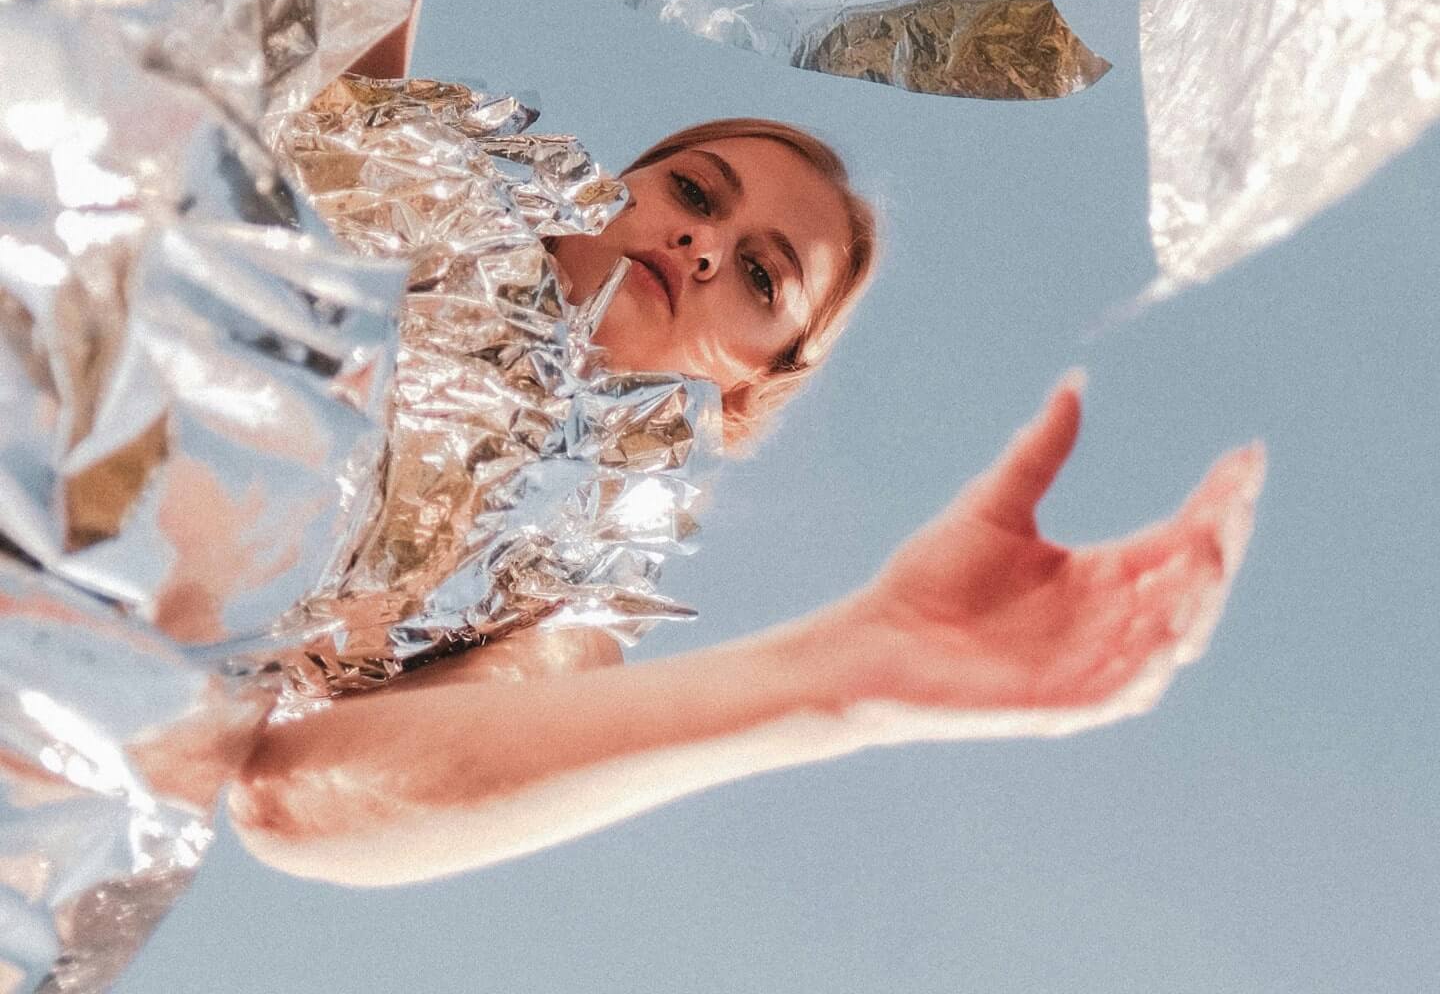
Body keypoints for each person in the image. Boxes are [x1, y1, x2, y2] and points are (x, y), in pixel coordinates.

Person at [228, 97, 1261, 887]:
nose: (705, 246)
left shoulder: (570, 590)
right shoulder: (391, 156)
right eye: (692, 192)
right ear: (608, 185)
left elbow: (299, 796)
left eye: (763, 278)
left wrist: (844, 674)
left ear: (750, 386)